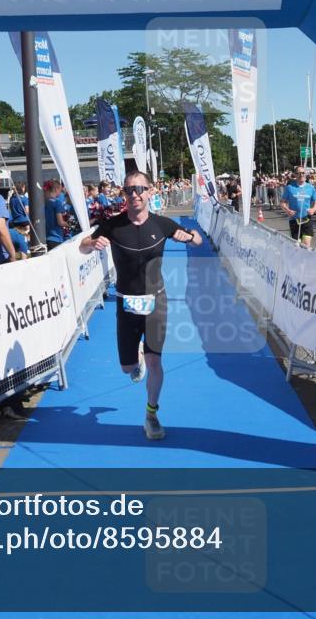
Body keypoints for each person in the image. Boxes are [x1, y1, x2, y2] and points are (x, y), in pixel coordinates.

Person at [79, 171, 202, 440]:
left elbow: (199, 240)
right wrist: (91, 242)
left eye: (139, 189)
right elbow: (82, 247)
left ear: (149, 192)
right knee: (127, 369)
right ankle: (135, 358)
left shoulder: (162, 224)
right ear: (124, 194)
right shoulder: (112, 225)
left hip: (156, 300)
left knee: (155, 360)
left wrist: (190, 236)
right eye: (129, 190)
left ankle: (151, 414)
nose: (134, 194)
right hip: (126, 303)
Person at [281, 168, 316, 248]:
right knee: (296, 246)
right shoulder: (289, 187)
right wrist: (287, 210)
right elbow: (282, 202)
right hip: (294, 220)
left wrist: (313, 209)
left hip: (306, 220)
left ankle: (306, 259)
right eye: (298, 173)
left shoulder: (310, 187)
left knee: (306, 245)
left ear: (305, 174)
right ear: (295, 174)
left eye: (303, 173)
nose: (301, 175)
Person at [44, 181, 68, 251]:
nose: (61, 192)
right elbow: (60, 222)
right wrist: (71, 224)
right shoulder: (58, 203)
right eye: (60, 190)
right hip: (56, 238)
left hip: (46, 237)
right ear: (56, 190)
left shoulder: (44, 202)